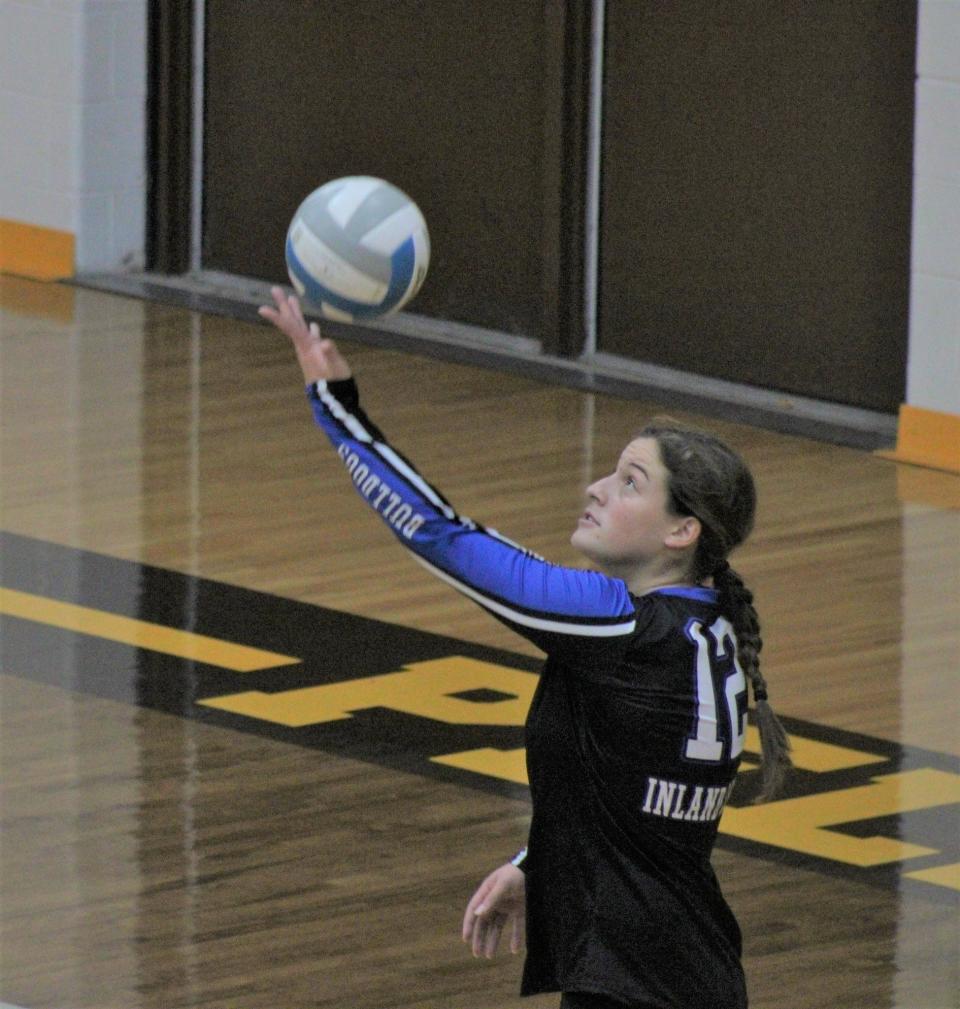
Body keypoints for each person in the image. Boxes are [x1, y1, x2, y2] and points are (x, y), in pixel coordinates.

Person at [259, 287, 792, 1009]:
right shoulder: (707, 625)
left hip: (637, 983)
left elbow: (443, 535)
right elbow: (631, 796)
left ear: (681, 532)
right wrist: (535, 860)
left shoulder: (626, 631)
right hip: (670, 971)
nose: (596, 487)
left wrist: (337, 404)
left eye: (630, 482)